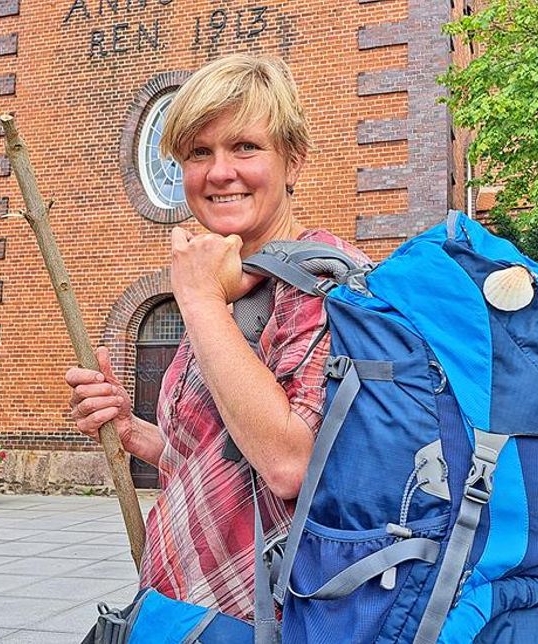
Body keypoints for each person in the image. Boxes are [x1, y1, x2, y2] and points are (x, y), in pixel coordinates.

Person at [65, 54, 367, 621]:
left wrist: (199, 301)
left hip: (268, 618)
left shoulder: (327, 286)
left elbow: (288, 463)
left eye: (245, 147)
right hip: (189, 610)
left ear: (292, 162)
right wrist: (133, 431)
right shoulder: (234, 284)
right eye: (199, 153)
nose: (219, 172)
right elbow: (220, 459)